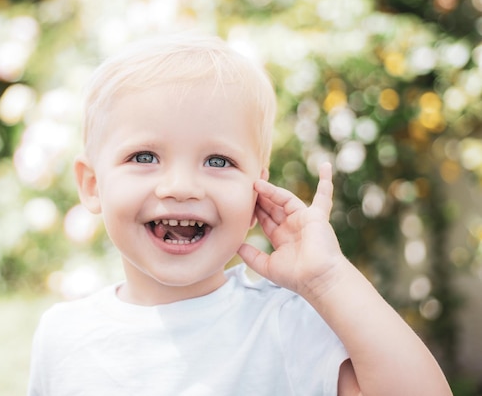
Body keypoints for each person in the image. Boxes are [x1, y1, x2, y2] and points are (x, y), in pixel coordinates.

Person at [28, 34, 452, 395]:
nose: (181, 187)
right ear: (92, 184)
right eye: (144, 156)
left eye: (217, 161)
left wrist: (328, 279)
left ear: (256, 194)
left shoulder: (283, 325)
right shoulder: (62, 336)